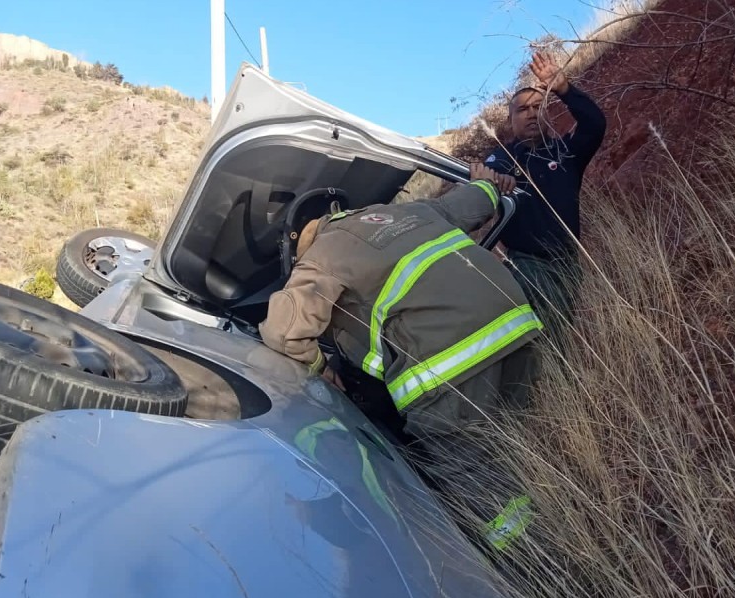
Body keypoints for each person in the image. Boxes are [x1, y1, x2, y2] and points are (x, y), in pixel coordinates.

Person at [258, 166, 543, 556]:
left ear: (297, 244)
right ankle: (557, 514)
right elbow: (477, 201)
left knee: (474, 474)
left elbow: (281, 330)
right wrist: (487, 181)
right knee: (514, 440)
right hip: (517, 330)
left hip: (450, 361)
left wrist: (320, 370)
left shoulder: (322, 253)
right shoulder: (404, 213)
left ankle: (531, 560)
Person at [483, 51, 607, 348]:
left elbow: (595, 124)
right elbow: (487, 177)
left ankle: (553, 386)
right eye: (522, 110)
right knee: (548, 339)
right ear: (510, 121)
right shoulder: (503, 156)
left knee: (559, 332)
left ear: (547, 113)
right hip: (527, 264)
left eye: (538, 106)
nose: (531, 113)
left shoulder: (566, 153)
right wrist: (493, 180)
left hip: (568, 262)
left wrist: (564, 88)